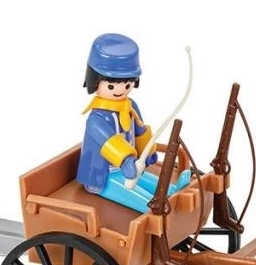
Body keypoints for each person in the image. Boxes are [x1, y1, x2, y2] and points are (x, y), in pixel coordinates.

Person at [76, 33, 191, 213]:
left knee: (155, 184)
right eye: (111, 86)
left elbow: (139, 130)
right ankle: (159, 208)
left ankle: (173, 192)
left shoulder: (130, 107)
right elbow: (111, 143)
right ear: (94, 81)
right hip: (103, 177)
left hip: (131, 168)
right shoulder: (96, 119)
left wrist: (148, 151)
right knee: (150, 204)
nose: (120, 90)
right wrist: (126, 161)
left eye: (127, 84)